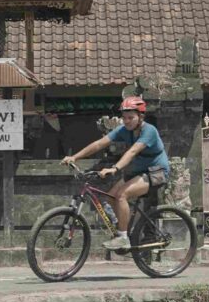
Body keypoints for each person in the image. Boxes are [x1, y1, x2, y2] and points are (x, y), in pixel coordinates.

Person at [61, 96, 170, 251]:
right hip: (137, 171)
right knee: (111, 196)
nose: (126, 121)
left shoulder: (149, 131)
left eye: (131, 117)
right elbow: (99, 143)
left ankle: (123, 238)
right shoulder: (124, 130)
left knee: (122, 195)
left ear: (141, 117)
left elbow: (132, 151)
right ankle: (123, 229)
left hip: (157, 172)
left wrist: (115, 168)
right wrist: (74, 157)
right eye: (124, 118)